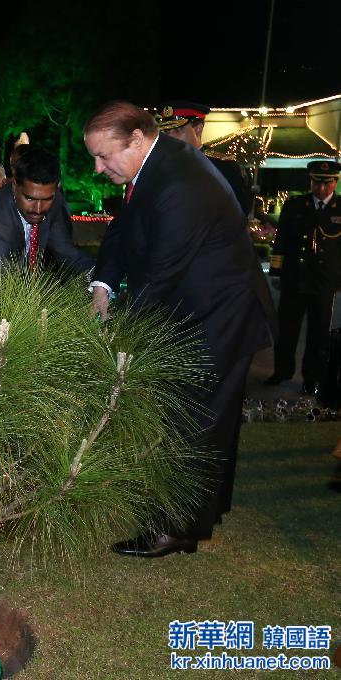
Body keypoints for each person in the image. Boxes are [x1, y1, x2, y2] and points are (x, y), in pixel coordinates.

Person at [84, 101, 273, 557]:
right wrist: (102, 286)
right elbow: (122, 231)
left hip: (219, 316)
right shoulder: (151, 167)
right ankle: (194, 515)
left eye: (105, 156)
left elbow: (157, 279)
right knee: (197, 418)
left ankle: (177, 527)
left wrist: (113, 337)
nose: (97, 167)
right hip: (196, 307)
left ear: (137, 138)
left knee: (195, 421)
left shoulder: (179, 185)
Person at [0, 146, 94, 276]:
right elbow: (3, 285)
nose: (38, 209)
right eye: (29, 198)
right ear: (14, 185)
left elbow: (67, 254)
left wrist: (102, 282)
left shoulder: (53, 198)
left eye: (47, 199)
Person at [266, 160, 341, 394]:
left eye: (326, 184)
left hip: (324, 280)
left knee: (319, 333)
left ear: (335, 183)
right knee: (287, 330)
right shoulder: (295, 205)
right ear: (310, 181)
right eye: (317, 183)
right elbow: (281, 241)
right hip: (295, 278)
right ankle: (282, 371)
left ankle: (312, 377)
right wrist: (276, 271)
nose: (321, 189)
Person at [155, 101, 252, 215]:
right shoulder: (161, 166)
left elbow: (239, 210)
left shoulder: (222, 166)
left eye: (177, 131)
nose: (169, 137)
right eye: (166, 131)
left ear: (198, 130)